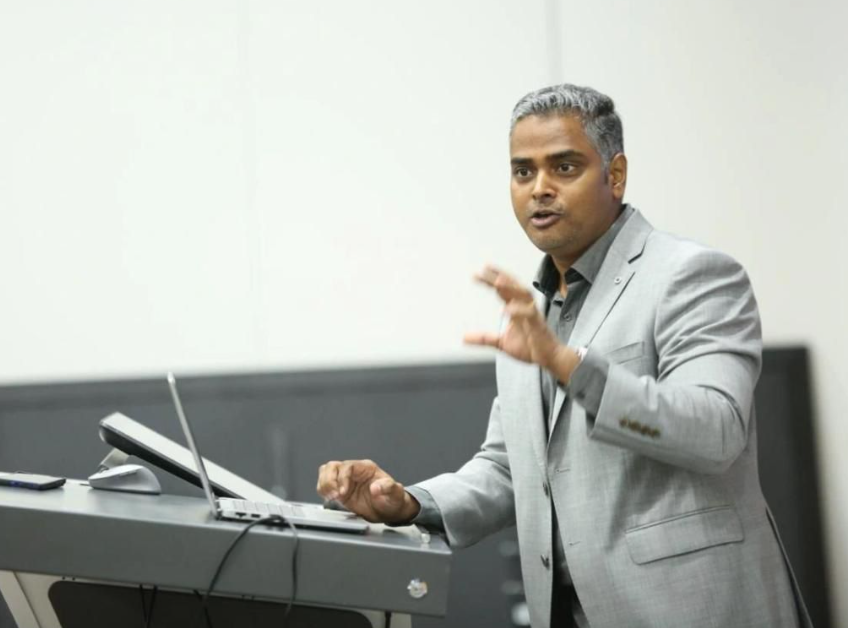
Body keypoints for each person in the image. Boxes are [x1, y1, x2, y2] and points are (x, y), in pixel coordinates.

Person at [316, 84, 812, 628]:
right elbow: (509, 468)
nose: (539, 189)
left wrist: (570, 367)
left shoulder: (691, 275)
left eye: (564, 167)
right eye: (522, 171)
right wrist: (411, 504)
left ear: (615, 175)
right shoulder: (529, 311)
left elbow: (717, 431)